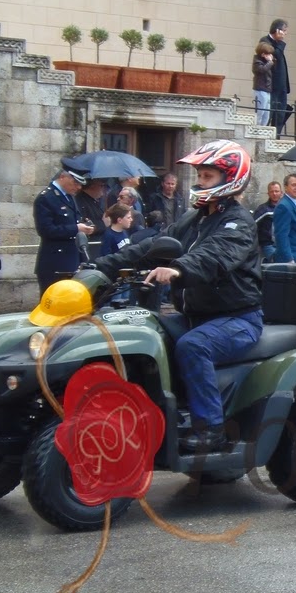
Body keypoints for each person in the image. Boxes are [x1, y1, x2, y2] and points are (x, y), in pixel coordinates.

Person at [94, 140, 262, 452]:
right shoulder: (194, 218)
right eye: (199, 175)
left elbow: (215, 255)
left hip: (237, 319)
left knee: (193, 346)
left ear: (231, 178)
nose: (199, 182)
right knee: (145, 329)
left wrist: (178, 269)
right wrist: (101, 267)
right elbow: (153, 245)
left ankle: (211, 428)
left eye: (207, 176)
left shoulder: (238, 222)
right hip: (196, 317)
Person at [33, 161, 95, 294]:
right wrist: (76, 228)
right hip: (56, 261)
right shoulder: (46, 198)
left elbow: (73, 221)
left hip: (72, 259)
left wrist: (85, 226)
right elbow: (46, 230)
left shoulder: (69, 197)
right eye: (75, 182)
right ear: (63, 177)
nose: (78, 187)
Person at [262, 19, 291, 135]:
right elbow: (276, 55)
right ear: (277, 30)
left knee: (281, 113)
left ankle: (276, 135)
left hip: (282, 85)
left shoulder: (278, 44)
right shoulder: (265, 42)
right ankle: (267, 135)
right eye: (283, 31)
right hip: (272, 85)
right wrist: (280, 43)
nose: (285, 33)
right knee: (271, 112)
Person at [272, 173, 296, 264]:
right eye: (293, 185)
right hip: (292, 257)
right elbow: (281, 236)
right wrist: (289, 259)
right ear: (286, 187)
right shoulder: (283, 206)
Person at [74, 178, 108, 261]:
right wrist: (104, 224)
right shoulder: (80, 201)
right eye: (101, 186)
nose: (103, 189)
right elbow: (87, 225)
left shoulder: (93, 201)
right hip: (90, 244)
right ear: (92, 186)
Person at [253, 181, 282, 262]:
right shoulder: (262, 209)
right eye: (272, 191)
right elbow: (253, 225)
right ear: (268, 193)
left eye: (276, 191)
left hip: (284, 244)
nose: (274, 194)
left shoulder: (286, 208)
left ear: (281, 193)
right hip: (268, 245)